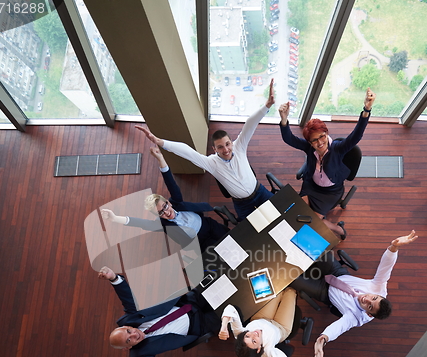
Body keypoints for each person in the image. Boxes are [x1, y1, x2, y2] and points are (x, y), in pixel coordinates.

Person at [135, 79, 276, 220]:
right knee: (255, 232)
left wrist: (267, 105)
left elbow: (250, 124)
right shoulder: (211, 163)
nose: (226, 150)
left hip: (260, 192)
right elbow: (187, 152)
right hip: (242, 204)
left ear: (231, 142)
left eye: (227, 144)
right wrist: (160, 142)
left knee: (283, 212)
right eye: (220, 147)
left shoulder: (239, 147)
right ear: (214, 149)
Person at [98, 266, 220, 357]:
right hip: (200, 325)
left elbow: (126, 296)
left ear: (127, 327)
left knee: (222, 282)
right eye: (129, 340)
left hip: (189, 303)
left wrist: (113, 278)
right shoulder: (142, 353)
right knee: (231, 310)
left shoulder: (132, 316)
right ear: (127, 348)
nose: (134, 335)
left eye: (129, 331)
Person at [289, 230, 418, 357]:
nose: (367, 299)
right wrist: (394, 247)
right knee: (315, 245)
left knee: (290, 278)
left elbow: (338, 327)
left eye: (369, 306)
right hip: (337, 274)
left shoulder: (356, 318)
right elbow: (386, 267)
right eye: (373, 298)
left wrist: (323, 338)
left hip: (325, 291)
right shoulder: (379, 288)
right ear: (378, 295)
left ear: (368, 313)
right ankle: (290, 228)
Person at [278, 88, 376, 239]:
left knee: (313, 221)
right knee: (298, 212)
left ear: (327, 133)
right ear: (310, 142)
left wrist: (366, 109)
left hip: (331, 192)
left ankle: (339, 230)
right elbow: (289, 139)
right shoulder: (309, 147)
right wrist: (284, 120)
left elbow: (356, 136)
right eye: (314, 140)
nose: (319, 142)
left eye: (322, 136)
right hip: (312, 186)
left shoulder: (338, 148)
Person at [101, 147, 229, 253]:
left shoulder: (176, 201)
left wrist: (160, 158)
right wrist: (114, 218)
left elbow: (171, 183)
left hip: (208, 224)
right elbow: (140, 223)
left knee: (233, 241)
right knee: (223, 256)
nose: (166, 212)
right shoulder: (163, 225)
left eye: (165, 207)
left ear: (168, 203)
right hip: (200, 242)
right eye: (160, 213)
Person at [218, 288, 312, 357]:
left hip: (261, 318)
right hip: (281, 327)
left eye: (247, 336)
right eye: (254, 341)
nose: (253, 334)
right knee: (290, 292)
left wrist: (224, 325)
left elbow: (230, 309)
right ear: (259, 348)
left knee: (276, 289)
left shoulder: (239, 334)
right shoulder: (266, 352)